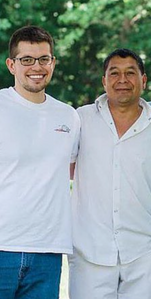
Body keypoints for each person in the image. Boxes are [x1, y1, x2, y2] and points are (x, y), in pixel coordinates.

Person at [68, 49, 151, 298]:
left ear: (143, 80)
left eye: (130, 73)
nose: (122, 80)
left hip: (141, 251)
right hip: (89, 252)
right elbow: (64, 168)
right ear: (104, 81)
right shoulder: (81, 119)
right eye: (114, 73)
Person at [0, 26, 80, 298]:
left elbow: (73, 170)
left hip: (48, 250)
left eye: (44, 59)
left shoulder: (69, 117)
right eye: (27, 60)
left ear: (53, 63)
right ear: (12, 64)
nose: (37, 67)